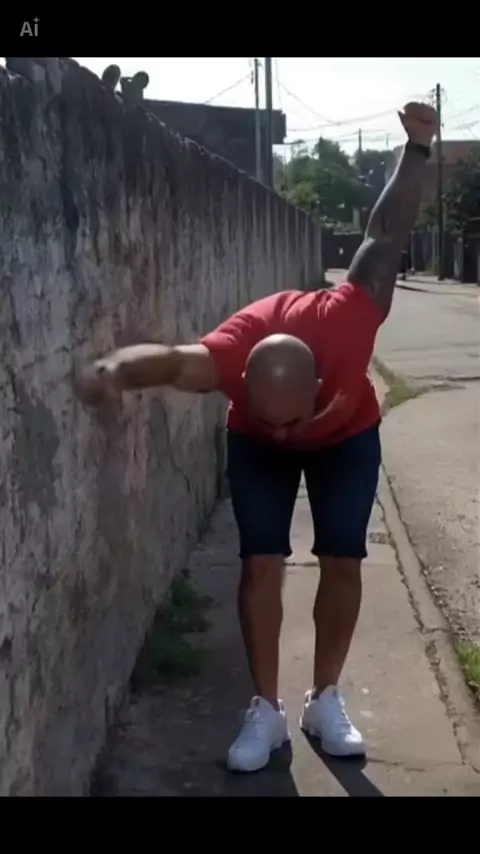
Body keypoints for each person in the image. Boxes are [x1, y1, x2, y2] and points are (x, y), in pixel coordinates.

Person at [77, 101, 437, 773]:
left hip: (347, 438)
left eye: (291, 419)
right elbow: (176, 362)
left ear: (317, 384)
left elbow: (385, 232)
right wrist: (115, 369)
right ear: (242, 382)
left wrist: (416, 148)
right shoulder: (233, 354)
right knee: (260, 562)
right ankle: (265, 710)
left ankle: (325, 699)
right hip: (252, 454)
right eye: (268, 415)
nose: (283, 432)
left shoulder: (351, 318)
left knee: (343, 558)